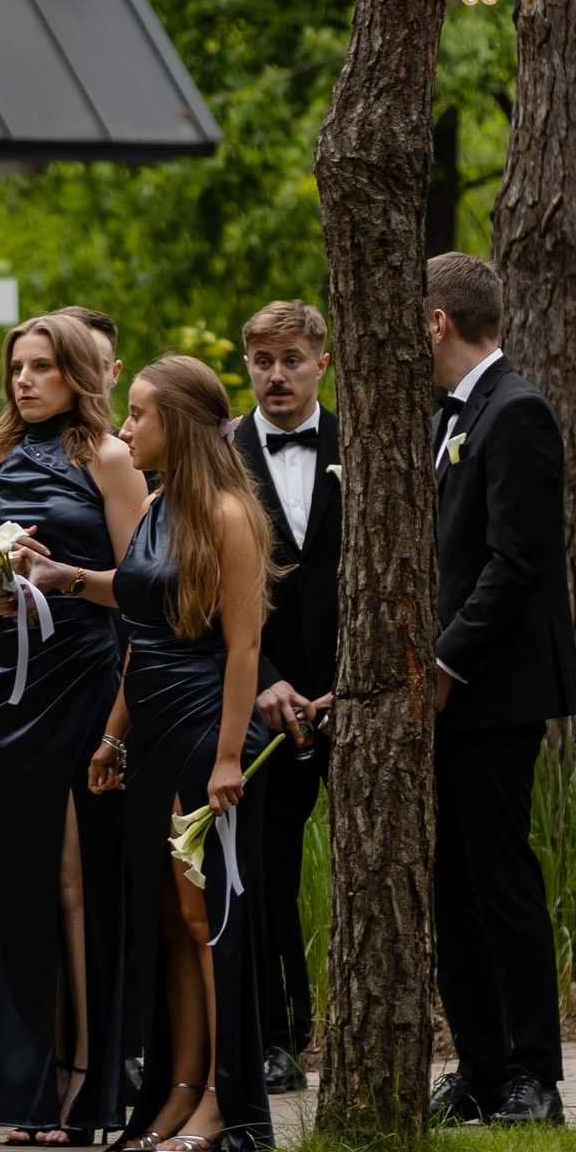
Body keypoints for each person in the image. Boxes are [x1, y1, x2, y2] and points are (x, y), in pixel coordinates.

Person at [25, 355, 274, 1152]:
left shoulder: (230, 515)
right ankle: (179, 1089)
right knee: (167, 921)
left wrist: (229, 757)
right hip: (154, 731)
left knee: (206, 919)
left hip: (208, 731)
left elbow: (244, 648)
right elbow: (140, 620)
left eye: (138, 415)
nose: (125, 427)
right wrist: (112, 735)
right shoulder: (158, 507)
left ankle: (224, 1103)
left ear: (182, 427)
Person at [0, 313, 148, 1144]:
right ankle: (28, 1085)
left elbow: (144, 589)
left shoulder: (108, 457)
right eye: (17, 368)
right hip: (10, 691)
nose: (25, 381)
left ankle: (85, 1078)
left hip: (85, 679)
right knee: (24, 881)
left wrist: (62, 577)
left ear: (77, 374)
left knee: (79, 879)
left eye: (42, 367)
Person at [423, 250, 576, 1127]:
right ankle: (480, 1067)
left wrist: (447, 667)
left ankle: (532, 1073)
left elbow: (515, 564)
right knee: (451, 884)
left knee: (500, 878)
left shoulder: (517, 412)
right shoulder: (445, 417)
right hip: (448, 690)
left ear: (438, 322)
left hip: (495, 691)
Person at [233, 300, 339, 1092]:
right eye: (264, 360)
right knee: (267, 868)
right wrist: (263, 676)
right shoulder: (221, 455)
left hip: (355, 690)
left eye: (292, 359)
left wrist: (358, 680)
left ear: (321, 365)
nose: (277, 375)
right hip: (262, 692)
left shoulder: (365, 445)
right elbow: (207, 581)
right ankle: (279, 1037)